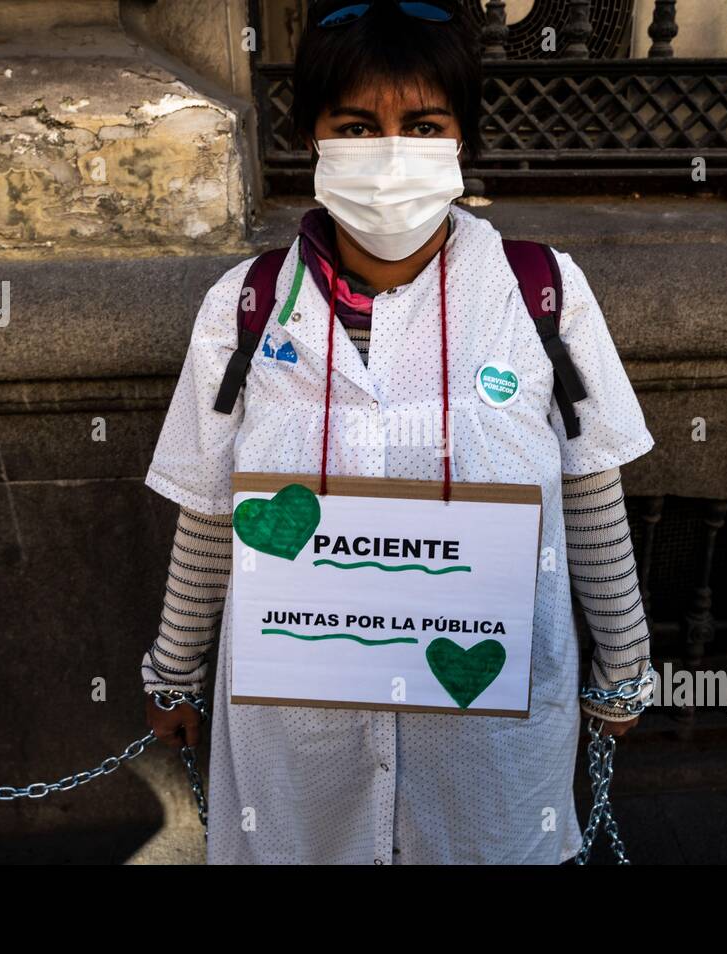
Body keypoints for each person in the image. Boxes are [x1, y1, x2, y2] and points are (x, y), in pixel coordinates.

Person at [140, 0, 657, 864]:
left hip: (486, 752)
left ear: (460, 139)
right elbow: (210, 512)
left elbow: (591, 491)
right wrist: (172, 669)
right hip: (300, 751)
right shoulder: (244, 311)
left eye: (422, 123)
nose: (389, 152)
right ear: (313, 137)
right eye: (356, 123)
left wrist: (626, 663)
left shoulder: (538, 295)